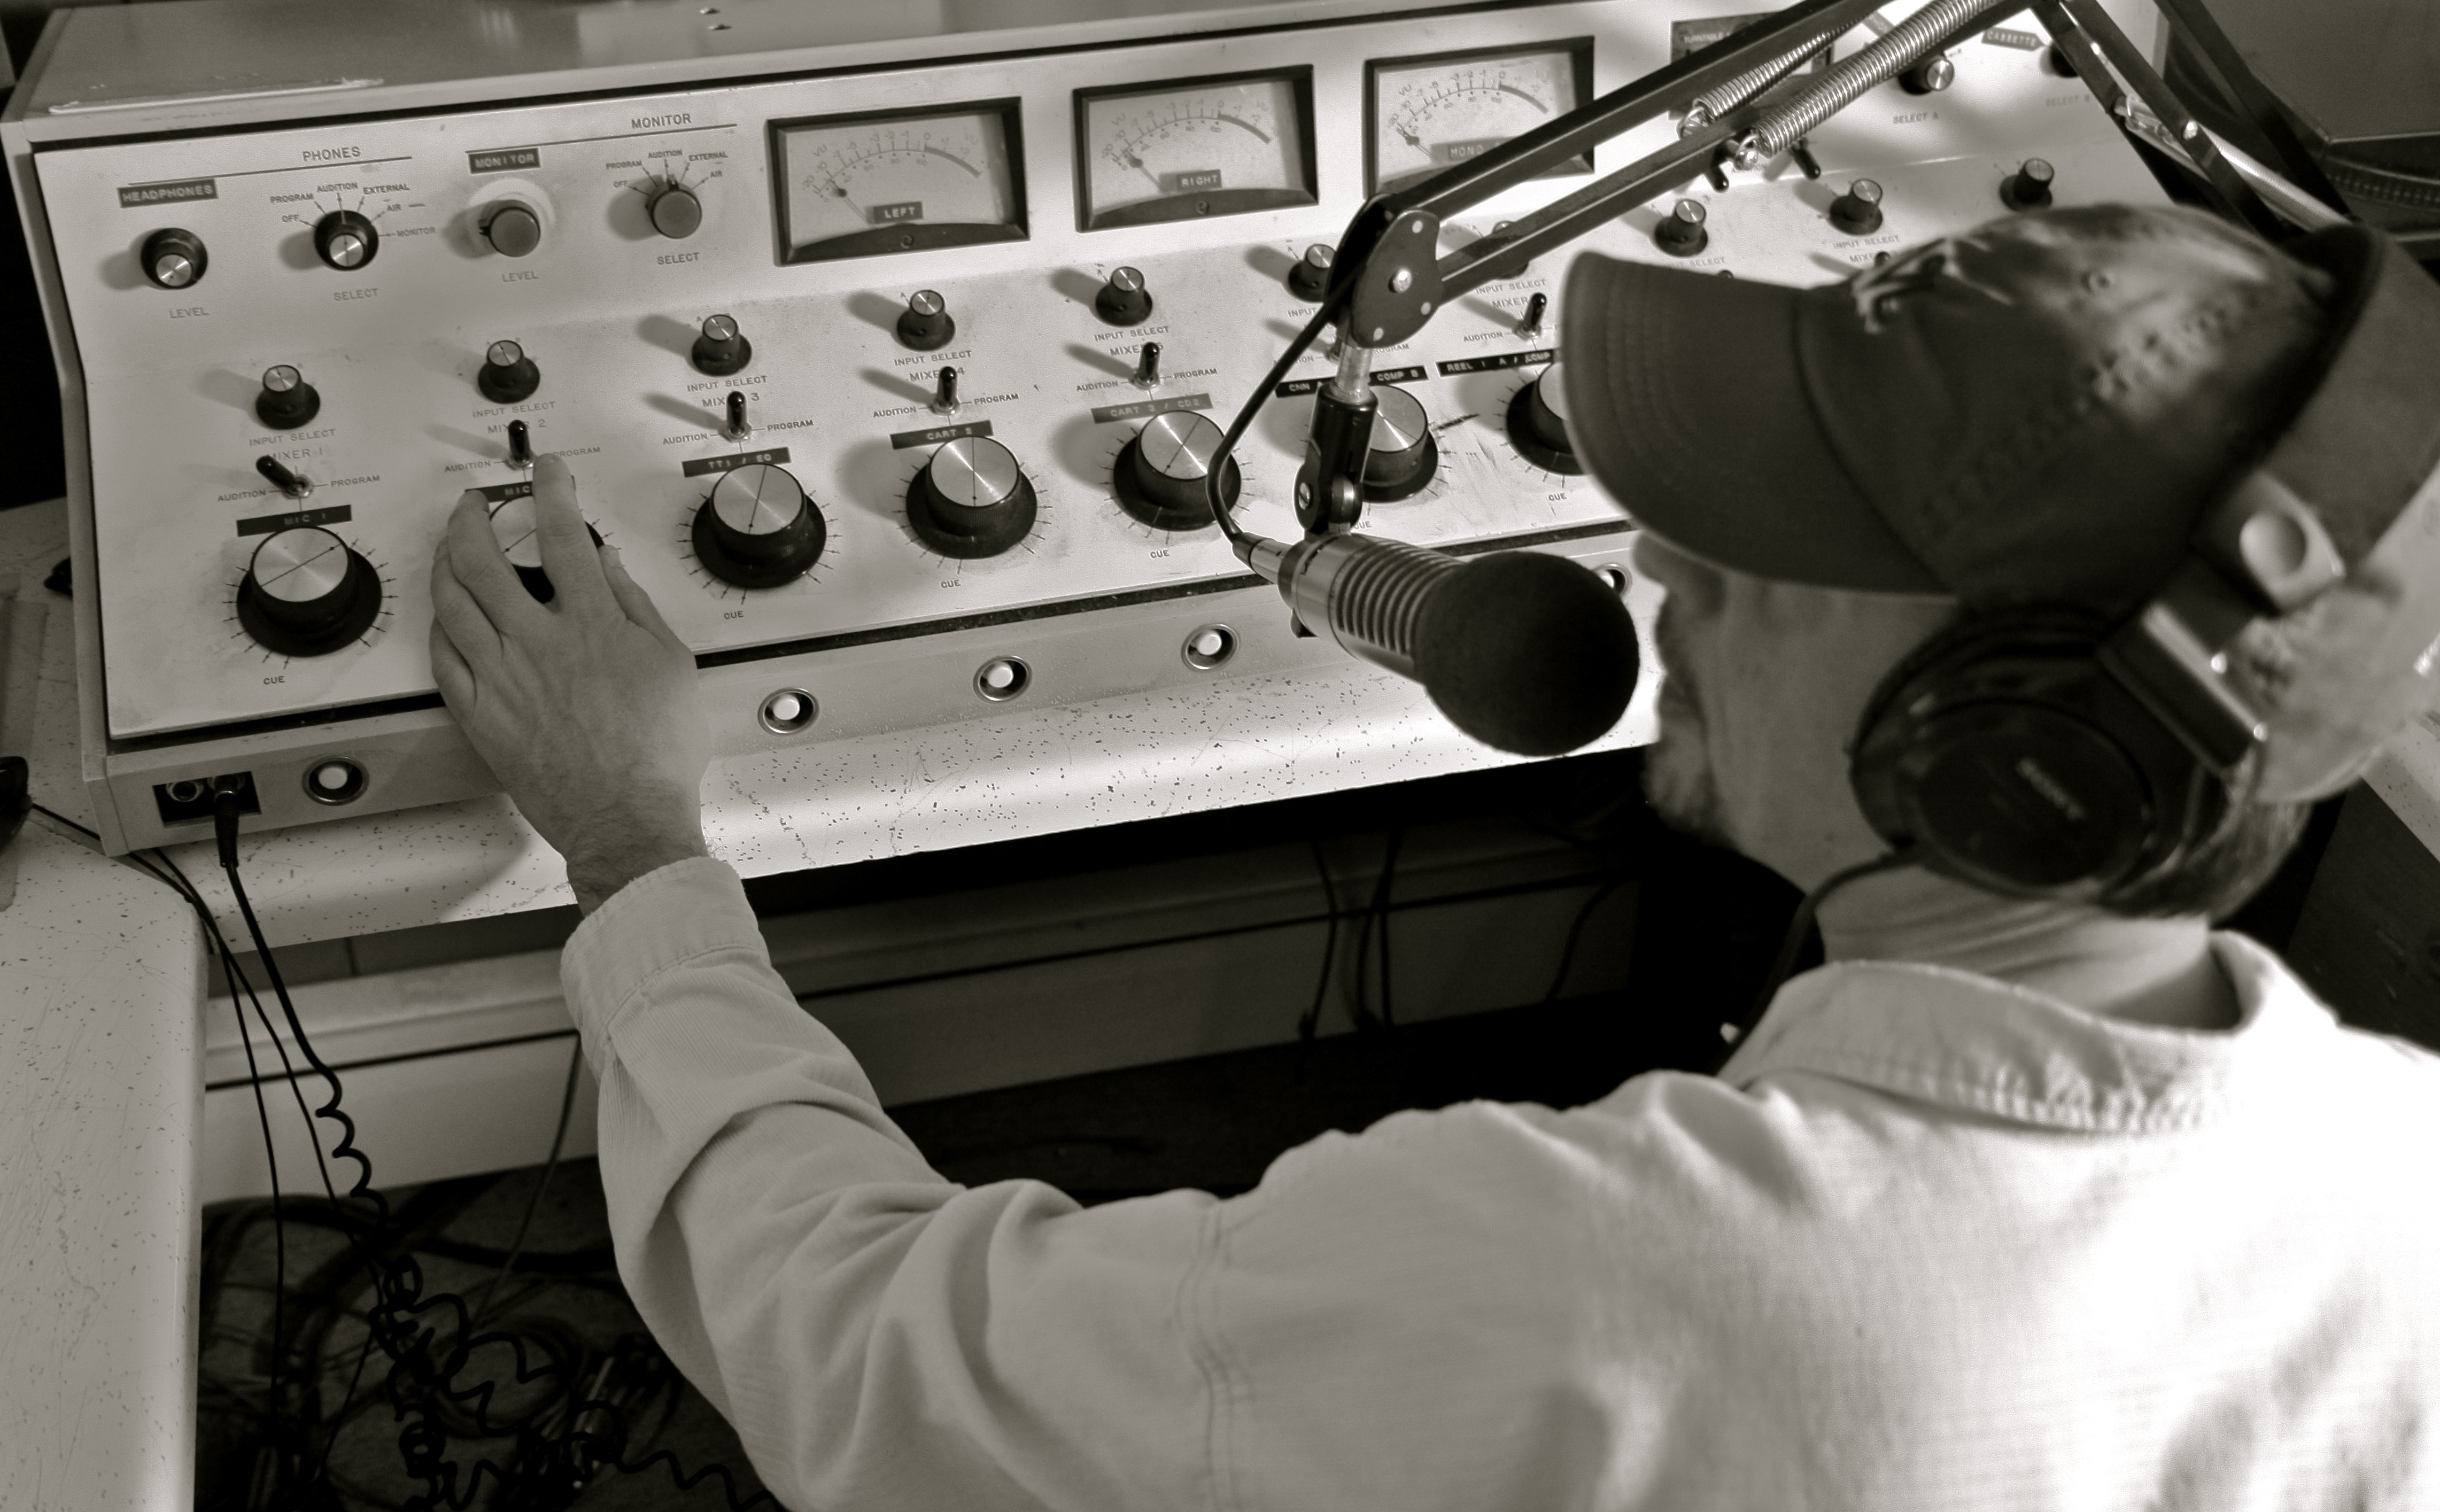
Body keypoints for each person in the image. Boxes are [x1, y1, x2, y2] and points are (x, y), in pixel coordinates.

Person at [428, 203, 2440, 1510]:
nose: (1673, 563)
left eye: (1785, 531)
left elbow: (865, 1356)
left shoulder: (1594, 1275)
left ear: (2024, 714)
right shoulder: (2402, 1171)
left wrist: (633, 843)